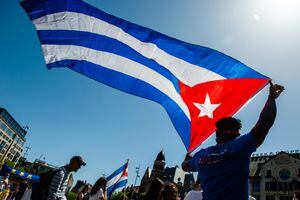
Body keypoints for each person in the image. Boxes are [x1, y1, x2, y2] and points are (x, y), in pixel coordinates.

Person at [181, 82, 284, 200]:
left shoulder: (201, 156)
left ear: (217, 134)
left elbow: (185, 166)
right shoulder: (239, 147)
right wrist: (271, 98)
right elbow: (266, 122)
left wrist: (189, 155)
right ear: (236, 134)